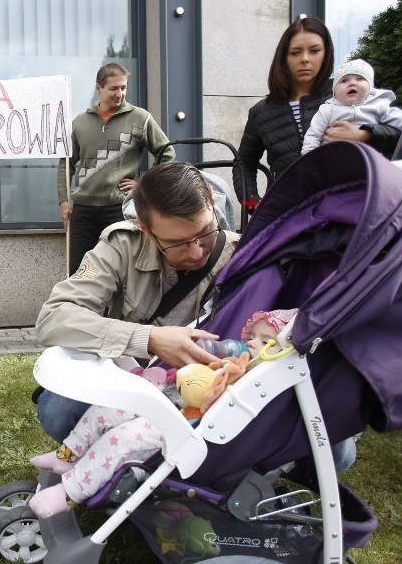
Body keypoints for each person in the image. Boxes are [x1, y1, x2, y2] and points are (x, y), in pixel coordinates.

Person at [36, 162, 240, 442]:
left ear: (213, 205)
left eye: (204, 232)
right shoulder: (122, 244)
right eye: (176, 242)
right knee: (58, 412)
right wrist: (150, 338)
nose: (195, 252)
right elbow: (54, 318)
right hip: (129, 377)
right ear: (145, 228)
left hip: (204, 385)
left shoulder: (243, 255)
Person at [28, 309, 297, 518]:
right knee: (113, 408)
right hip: (172, 405)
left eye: (266, 342)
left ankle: (68, 493)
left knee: (124, 438)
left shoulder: (261, 388)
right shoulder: (233, 365)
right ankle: (68, 454)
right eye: (252, 337)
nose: (252, 344)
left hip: (191, 431)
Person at [234, 16, 401, 207]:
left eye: (314, 51)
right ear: (284, 58)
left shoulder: (348, 91)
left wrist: (365, 134)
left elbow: (401, 135)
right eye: (295, 52)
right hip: (289, 211)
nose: (305, 59)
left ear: (325, 55)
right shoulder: (261, 112)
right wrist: (252, 204)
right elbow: (243, 163)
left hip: (354, 201)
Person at [58, 62, 175, 275]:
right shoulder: (80, 122)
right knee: (78, 271)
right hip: (83, 210)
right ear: (98, 88)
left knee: (120, 270)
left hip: (119, 208)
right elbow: (66, 164)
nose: (119, 93)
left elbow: (167, 153)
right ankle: (79, 309)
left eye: (123, 87)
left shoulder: (141, 118)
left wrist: (144, 184)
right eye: (113, 88)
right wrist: (63, 200)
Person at [302, 59, 402, 154]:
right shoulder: (327, 109)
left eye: (360, 79)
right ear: (335, 92)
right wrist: (308, 159)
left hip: (368, 159)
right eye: (344, 81)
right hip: (332, 161)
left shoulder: (379, 105)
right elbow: (313, 135)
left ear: (371, 88)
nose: (352, 83)